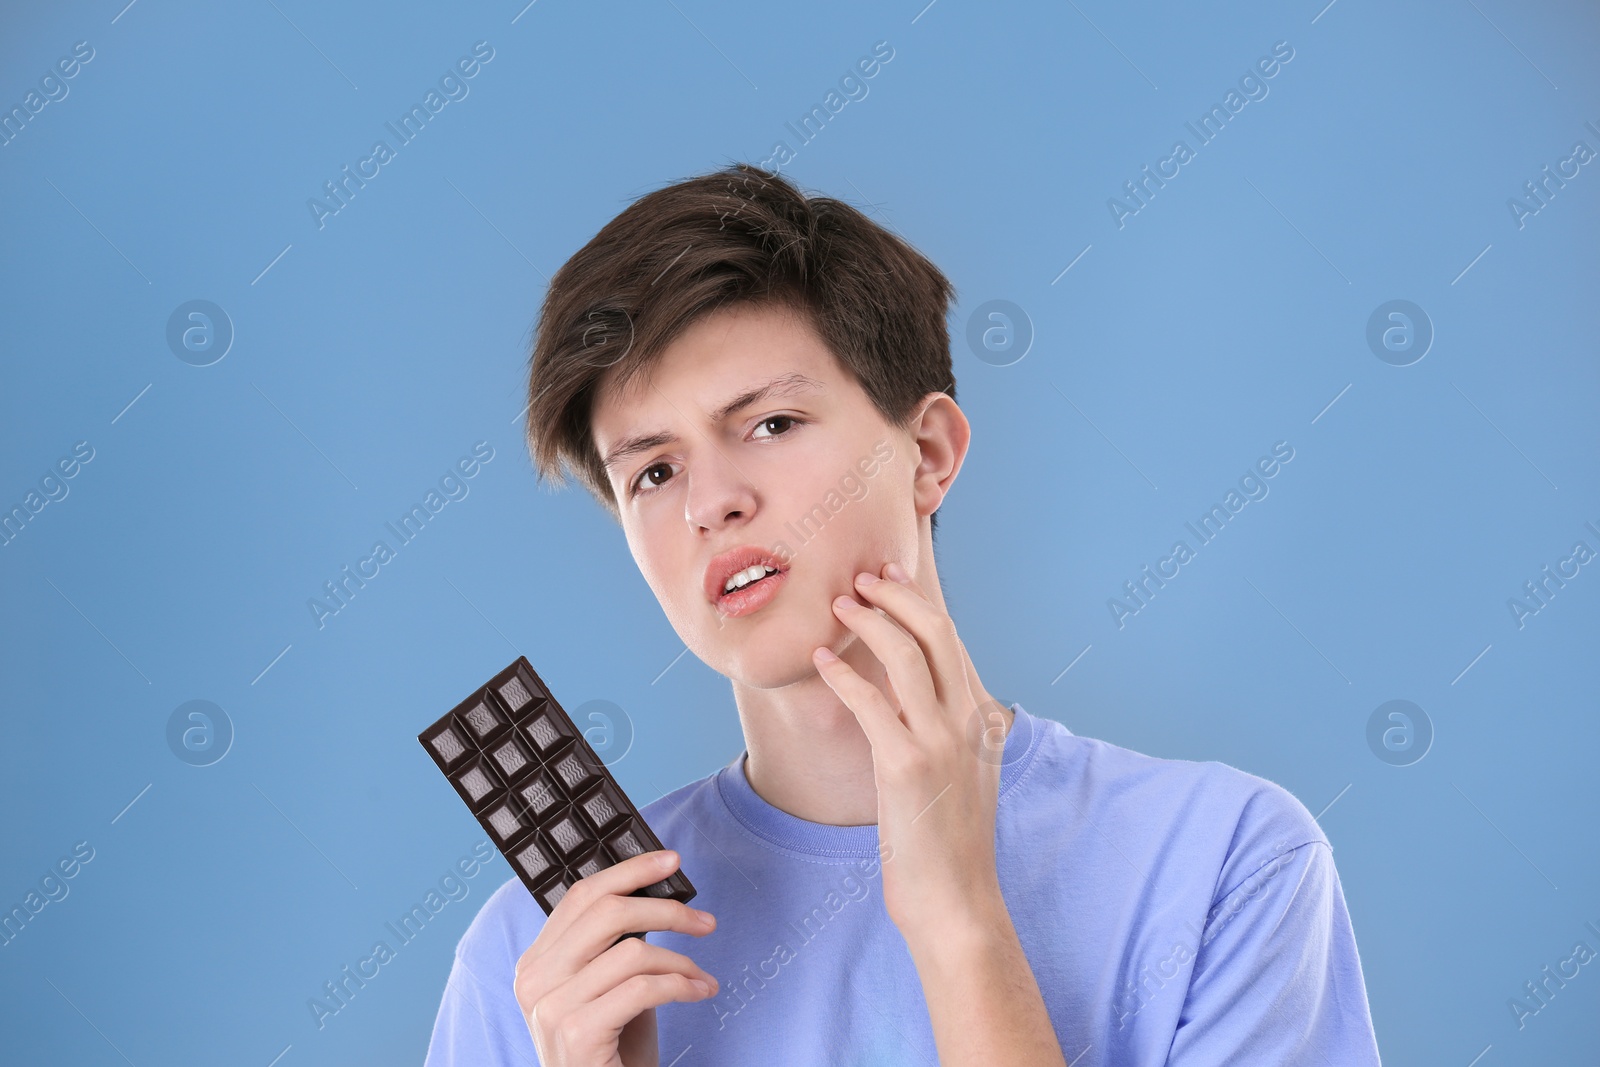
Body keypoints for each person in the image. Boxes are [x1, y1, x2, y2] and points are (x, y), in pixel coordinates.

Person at [422, 163, 1382, 1066]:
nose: (709, 502)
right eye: (654, 472)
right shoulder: (546, 961)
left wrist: (960, 918)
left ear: (927, 453)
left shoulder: (1227, 862)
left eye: (770, 424)